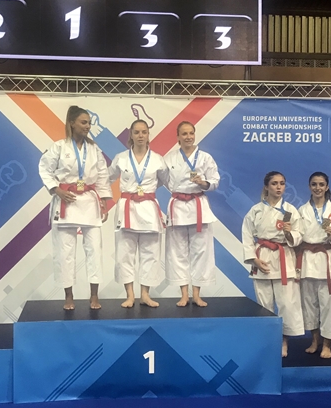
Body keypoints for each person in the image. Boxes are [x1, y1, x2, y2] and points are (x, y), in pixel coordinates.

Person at [39, 106, 112, 310]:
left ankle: (94, 295)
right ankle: (68, 296)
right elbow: (44, 169)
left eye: (89, 123)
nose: (87, 126)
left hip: (89, 201)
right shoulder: (59, 147)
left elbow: (102, 175)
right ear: (72, 123)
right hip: (67, 201)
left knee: (94, 250)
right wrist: (56, 190)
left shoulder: (94, 149)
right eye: (83, 122)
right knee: (65, 252)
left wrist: (104, 200)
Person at [242, 171, 304, 357]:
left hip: (284, 258)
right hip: (262, 256)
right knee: (264, 303)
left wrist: (289, 233)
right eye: (274, 183)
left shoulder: (291, 211)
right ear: (266, 187)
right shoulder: (256, 210)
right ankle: (267, 339)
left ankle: (284, 340)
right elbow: (247, 235)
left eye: (282, 183)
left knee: (287, 303)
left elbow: (299, 236)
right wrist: (254, 259)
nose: (278, 187)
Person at [108, 119, 168, 308]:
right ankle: (130, 295)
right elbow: (107, 178)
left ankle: (145, 294)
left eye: (144, 132)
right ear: (131, 135)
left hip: (149, 208)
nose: (141, 135)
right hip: (127, 208)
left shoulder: (158, 159)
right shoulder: (121, 158)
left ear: (148, 135)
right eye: (137, 132)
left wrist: (147, 191)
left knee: (151, 253)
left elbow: (166, 180)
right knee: (124, 253)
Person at [164, 121, 219, 307]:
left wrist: (203, 183)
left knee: (201, 251)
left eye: (191, 133)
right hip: (178, 207)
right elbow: (162, 179)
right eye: (184, 134)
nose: (188, 137)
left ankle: (196, 294)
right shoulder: (169, 158)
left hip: (198, 206)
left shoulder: (205, 157)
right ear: (178, 137)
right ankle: (184, 294)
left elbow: (215, 181)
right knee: (177, 251)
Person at [297, 172, 331, 359]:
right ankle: (315, 340)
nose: (318, 188)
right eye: (314, 184)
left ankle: (327, 344)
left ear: (327, 187)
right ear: (309, 186)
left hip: (328, 261)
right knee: (309, 304)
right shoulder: (302, 210)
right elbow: (297, 235)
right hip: (308, 261)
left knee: (330, 305)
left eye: (321, 184)